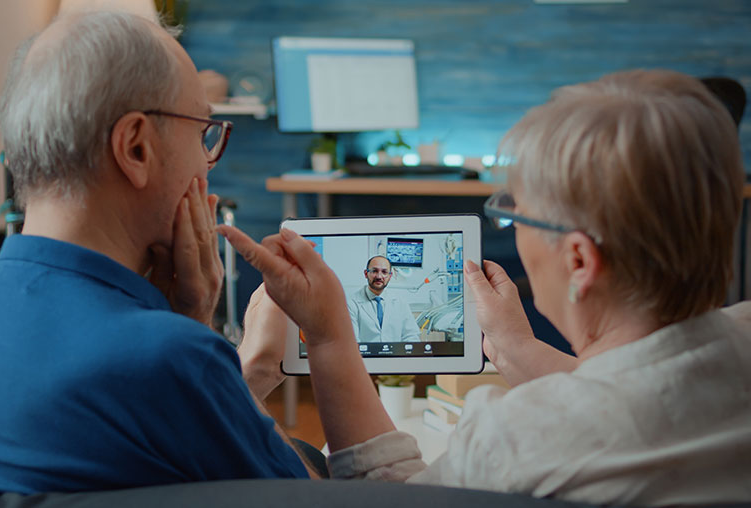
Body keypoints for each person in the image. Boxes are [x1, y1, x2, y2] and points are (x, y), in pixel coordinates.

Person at [220, 69, 751, 506]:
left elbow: (392, 499)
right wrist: (518, 349)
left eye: (518, 215)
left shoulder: (524, 434)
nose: (514, 229)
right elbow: (651, 382)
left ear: (578, 259)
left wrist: (329, 338)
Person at [0, 10, 312, 494]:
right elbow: (318, 497)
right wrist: (305, 344)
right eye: (203, 133)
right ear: (136, 147)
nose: (208, 163)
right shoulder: (170, 359)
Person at [347, 256, 420, 342]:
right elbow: (352, 340)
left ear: (390, 276)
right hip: (363, 355)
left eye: (384, 272)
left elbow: (411, 336)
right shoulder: (351, 303)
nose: (379, 276)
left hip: (396, 354)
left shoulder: (400, 303)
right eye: (374, 271)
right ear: (366, 274)